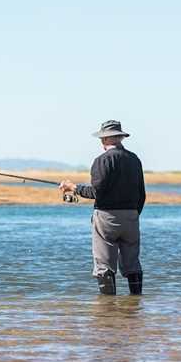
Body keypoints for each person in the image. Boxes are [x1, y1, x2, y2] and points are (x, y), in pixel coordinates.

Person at [59, 120, 146, 295]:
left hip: (106, 217)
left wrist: (73, 188)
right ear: (120, 138)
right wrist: (134, 214)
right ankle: (136, 302)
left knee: (104, 266)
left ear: (104, 140)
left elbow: (96, 192)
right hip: (132, 217)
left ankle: (108, 310)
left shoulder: (102, 160)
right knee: (132, 264)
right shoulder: (134, 159)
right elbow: (141, 194)